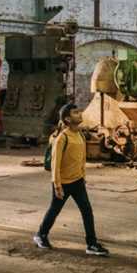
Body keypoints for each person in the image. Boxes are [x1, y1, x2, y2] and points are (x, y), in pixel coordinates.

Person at [33, 104, 109, 256]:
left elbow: (81, 159)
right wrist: (57, 185)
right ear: (67, 119)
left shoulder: (80, 135)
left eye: (79, 111)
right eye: (75, 112)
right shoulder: (62, 138)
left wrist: (83, 177)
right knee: (54, 210)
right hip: (63, 183)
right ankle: (41, 235)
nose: (79, 114)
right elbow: (55, 163)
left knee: (87, 211)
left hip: (78, 182)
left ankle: (91, 244)